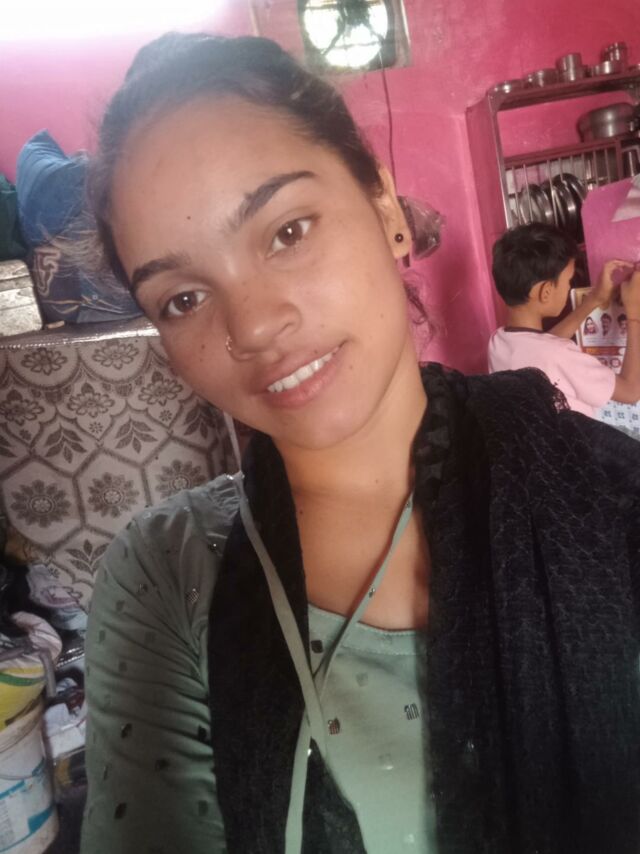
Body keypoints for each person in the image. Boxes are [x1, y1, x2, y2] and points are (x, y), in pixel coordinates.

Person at [80, 33, 640, 854]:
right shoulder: (169, 574)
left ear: (384, 209)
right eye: (183, 298)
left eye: (287, 231)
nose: (254, 326)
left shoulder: (608, 497)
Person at [487, 223, 640, 416]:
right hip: (578, 436)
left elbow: (544, 347)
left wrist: (594, 300)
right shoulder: (560, 356)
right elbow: (631, 391)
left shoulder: (498, 342)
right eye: (568, 281)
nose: (569, 287)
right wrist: (634, 313)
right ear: (546, 292)